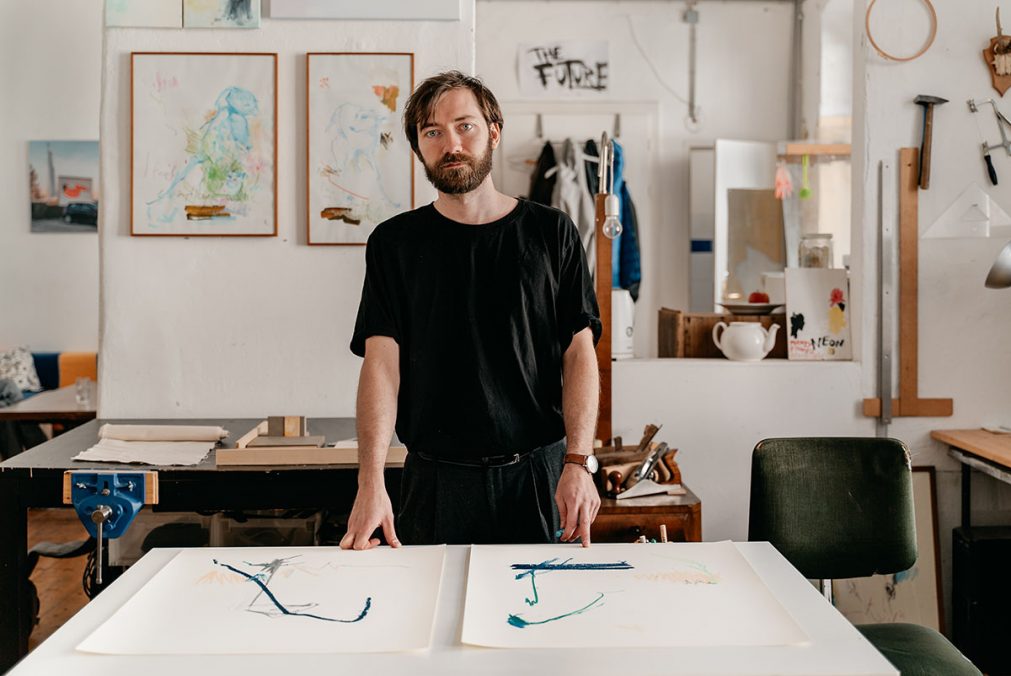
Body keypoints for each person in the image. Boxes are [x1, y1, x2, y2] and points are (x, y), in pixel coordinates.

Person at [340, 70, 601, 551]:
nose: (451, 144)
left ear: (494, 131)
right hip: (435, 483)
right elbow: (380, 364)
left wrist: (578, 463)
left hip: (538, 477)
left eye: (466, 126)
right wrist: (370, 480)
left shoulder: (551, 232)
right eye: (432, 132)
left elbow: (578, 354)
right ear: (419, 147)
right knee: (425, 621)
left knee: (538, 618)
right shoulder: (394, 244)